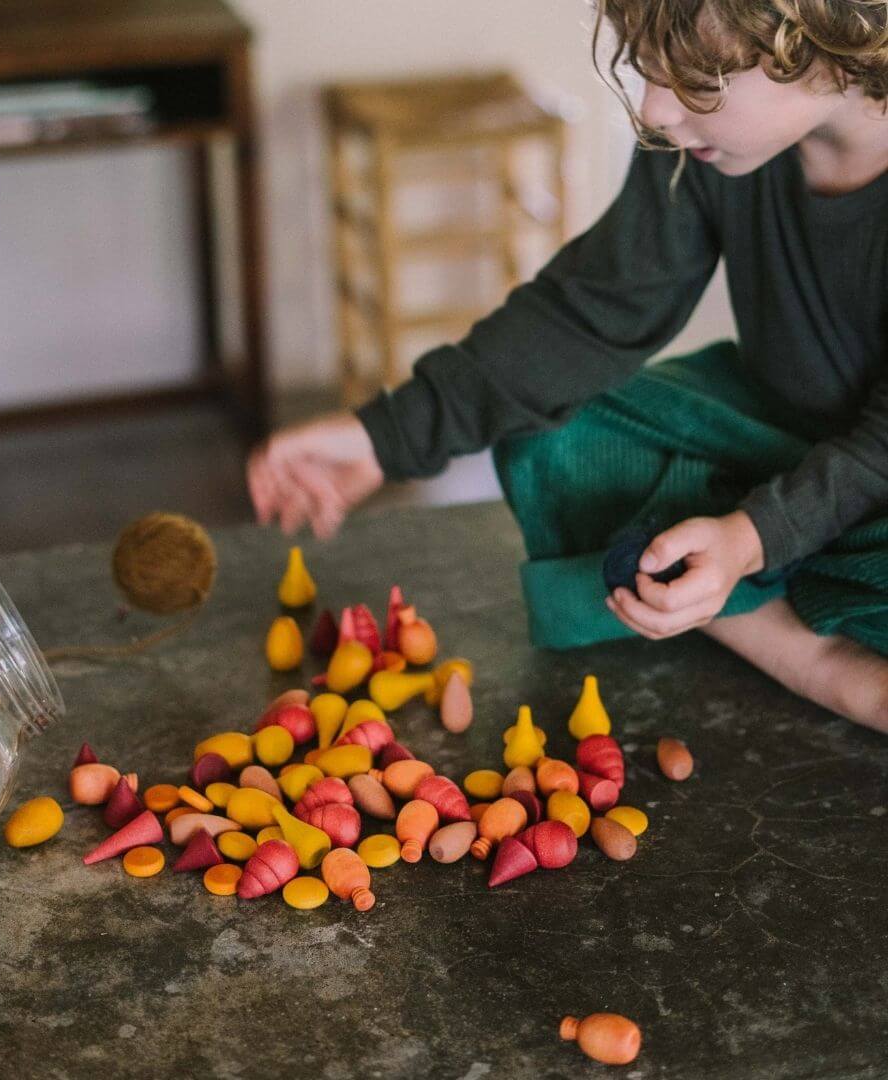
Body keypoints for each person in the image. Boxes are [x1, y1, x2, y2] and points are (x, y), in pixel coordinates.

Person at [247, 0, 888, 735]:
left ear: (832, 45)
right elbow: (592, 310)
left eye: (698, 79)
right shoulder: (705, 145)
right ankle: (805, 637)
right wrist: (381, 436)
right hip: (787, 441)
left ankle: (795, 629)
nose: (655, 109)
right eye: (648, 70)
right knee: (554, 428)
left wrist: (749, 537)